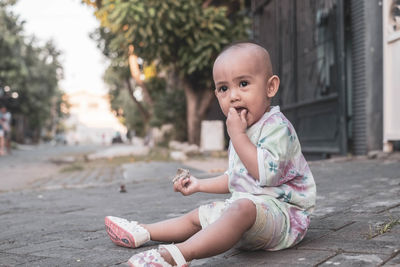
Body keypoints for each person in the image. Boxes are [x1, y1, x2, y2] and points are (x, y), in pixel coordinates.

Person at [104, 42, 317, 266]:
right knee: (199, 215)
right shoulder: (242, 130)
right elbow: (237, 178)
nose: (233, 96)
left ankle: (177, 255)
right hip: (248, 216)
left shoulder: (276, 127)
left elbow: (264, 175)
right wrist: (199, 185)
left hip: (284, 218)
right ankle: (143, 231)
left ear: (270, 87)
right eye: (224, 89)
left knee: (241, 208)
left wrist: (237, 135)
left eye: (243, 84)